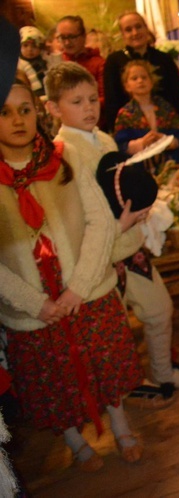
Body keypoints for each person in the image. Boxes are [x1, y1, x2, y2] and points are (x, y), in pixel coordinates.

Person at [0, 75, 144, 471]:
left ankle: (120, 422)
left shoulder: (64, 157)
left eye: (25, 110)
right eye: (5, 112)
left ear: (37, 112)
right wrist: (35, 303)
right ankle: (74, 439)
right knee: (51, 378)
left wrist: (79, 288)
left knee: (105, 362)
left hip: (86, 291)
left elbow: (99, 221)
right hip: (33, 307)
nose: (17, 120)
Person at [47, 62, 179, 409]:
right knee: (114, 334)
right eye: (76, 102)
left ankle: (162, 371)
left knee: (160, 310)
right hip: (100, 259)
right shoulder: (62, 153)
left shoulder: (102, 138)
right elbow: (76, 217)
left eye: (92, 99)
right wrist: (119, 224)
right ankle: (130, 385)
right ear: (54, 108)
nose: (88, 108)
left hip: (130, 247)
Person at [103, 11, 179, 133]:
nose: (135, 33)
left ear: (146, 29)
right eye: (128, 30)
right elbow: (112, 101)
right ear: (123, 35)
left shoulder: (164, 59)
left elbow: (178, 96)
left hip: (166, 125)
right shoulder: (114, 61)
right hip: (131, 130)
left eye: (138, 27)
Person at [113, 59, 179, 170]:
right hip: (141, 169)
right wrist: (141, 143)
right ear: (127, 86)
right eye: (134, 78)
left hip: (169, 165)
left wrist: (167, 141)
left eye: (144, 77)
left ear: (151, 82)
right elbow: (120, 145)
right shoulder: (125, 114)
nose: (140, 81)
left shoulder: (165, 107)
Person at [56, 16, 106, 127]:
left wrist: (79, 106)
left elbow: (104, 98)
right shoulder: (57, 63)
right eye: (62, 38)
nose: (67, 42)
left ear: (84, 36)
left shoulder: (99, 63)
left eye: (72, 37)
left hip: (94, 125)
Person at [19, 26, 48, 94]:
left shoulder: (44, 58)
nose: (30, 49)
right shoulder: (19, 63)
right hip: (34, 93)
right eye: (25, 45)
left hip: (49, 89)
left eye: (34, 46)